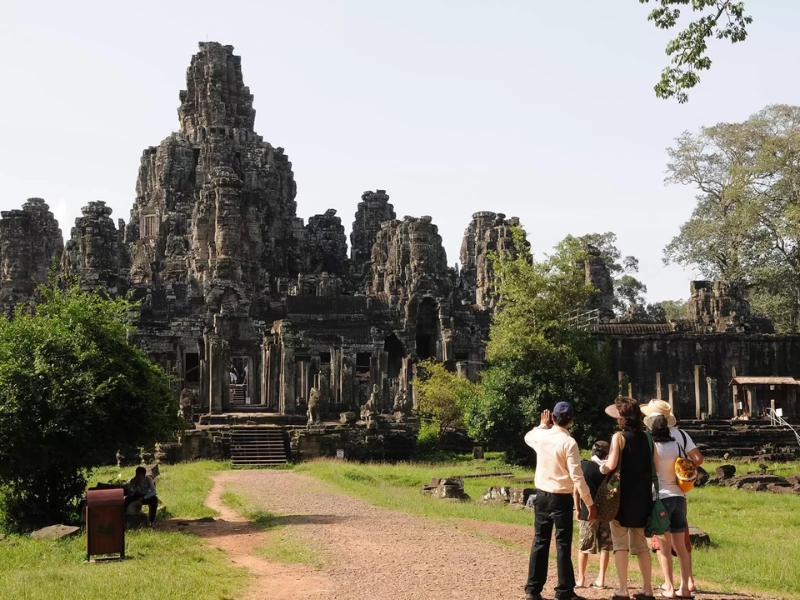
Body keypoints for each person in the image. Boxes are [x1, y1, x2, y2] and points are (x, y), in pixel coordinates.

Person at [524, 401, 596, 600]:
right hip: (562, 497)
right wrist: (588, 502)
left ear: (553, 418)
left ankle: (533, 588)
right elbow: (577, 476)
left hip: (542, 495)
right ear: (571, 420)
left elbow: (528, 436)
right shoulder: (569, 442)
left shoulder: (542, 436)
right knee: (562, 544)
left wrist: (542, 425)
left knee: (540, 541)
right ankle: (564, 590)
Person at [640, 400, 704, 598]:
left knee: (663, 546)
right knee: (681, 547)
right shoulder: (679, 436)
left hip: (659, 497)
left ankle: (669, 586)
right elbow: (698, 459)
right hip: (679, 494)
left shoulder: (648, 441)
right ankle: (685, 587)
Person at [601, 396, 656, 600]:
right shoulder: (649, 438)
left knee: (620, 543)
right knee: (641, 544)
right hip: (643, 498)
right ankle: (647, 588)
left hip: (622, 498)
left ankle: (623, 589)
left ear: (622, 418)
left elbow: (611, 464)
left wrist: (601, 466)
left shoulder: (619, 437)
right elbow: (655, 467)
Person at [574, 441, 612, 590]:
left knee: (584, 546)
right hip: (606, 512)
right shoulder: (609, 469)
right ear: (607, 455)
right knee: (605, 546)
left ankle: (581, 578)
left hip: (586, 511)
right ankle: (601, 579)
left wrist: (577, 508)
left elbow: (576, 490)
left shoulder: (584, 467)